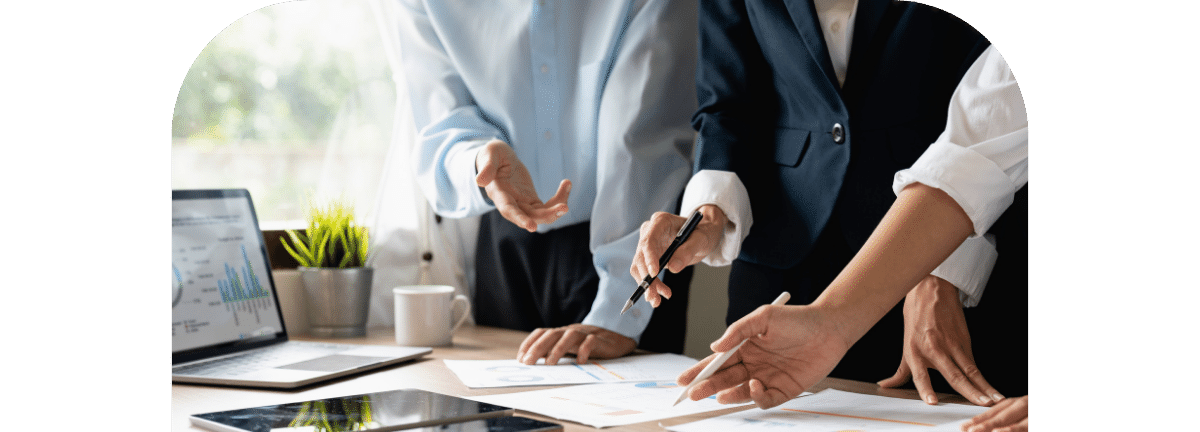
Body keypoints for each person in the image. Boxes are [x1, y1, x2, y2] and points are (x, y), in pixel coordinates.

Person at [632, 0, 1027, 407]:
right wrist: (710, 211)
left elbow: (991, 131)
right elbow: (728, 103)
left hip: (934, 251)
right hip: (786, 249)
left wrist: (941, 269)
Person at [396, 0, 697, 365]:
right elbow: (441, 120)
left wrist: (618, 311)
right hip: (504, 233)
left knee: (627, 413)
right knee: (505, 411)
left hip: (635, 239)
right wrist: (479, 158)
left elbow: (641, 137)